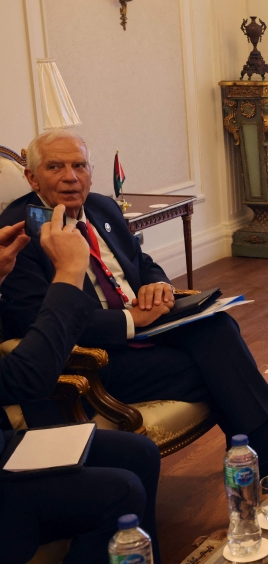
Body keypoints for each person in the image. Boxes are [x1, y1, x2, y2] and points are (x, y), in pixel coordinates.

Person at [0, 130, 268, 501]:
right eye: (55, 167)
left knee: (217, 325)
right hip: (97, 359)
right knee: (219, 373)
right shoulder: (20, 235)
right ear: (32, 178)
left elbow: (144, 264)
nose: (70, 177)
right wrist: (129, 320)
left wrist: (159, 287)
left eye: (79, 166)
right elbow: (39, 323)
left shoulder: (103, 207)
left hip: (146, 333)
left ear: (91, 171)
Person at [0, 206, 161, 564]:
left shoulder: (103, 208)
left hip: (6, 444)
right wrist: (70, 274)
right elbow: (27, 380)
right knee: (122, 491)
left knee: (139, 453)